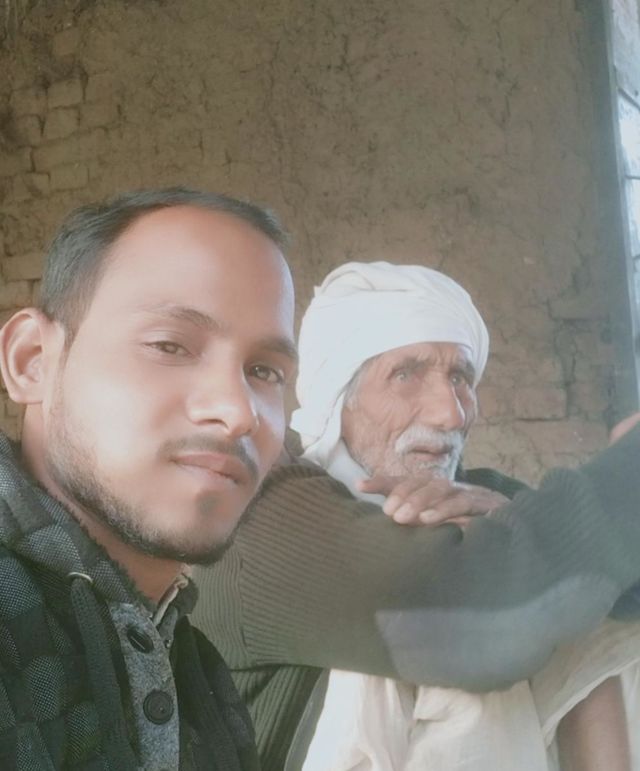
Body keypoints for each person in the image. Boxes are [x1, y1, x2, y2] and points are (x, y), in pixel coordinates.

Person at [192, 262, 640, 771]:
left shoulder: (486, 497)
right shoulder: (260, 518)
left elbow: (619, 590)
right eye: (406, 374)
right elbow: (480, 621)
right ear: (338, 396)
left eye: (461, 377)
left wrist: (511, 517)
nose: (450, 413)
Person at [0, 188, 298, 769]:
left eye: (265, 371)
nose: (239, 412)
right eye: (169, 345)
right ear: (32, 360)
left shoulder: (193, 669)